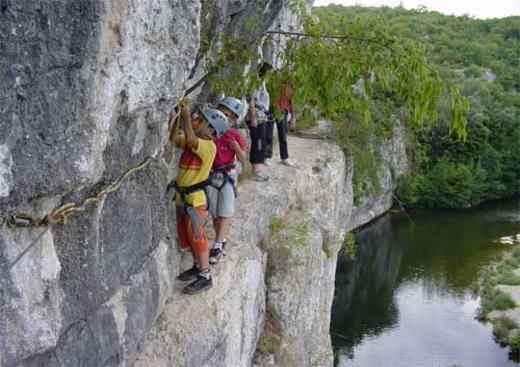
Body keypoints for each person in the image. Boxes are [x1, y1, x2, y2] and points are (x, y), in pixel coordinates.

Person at [169, 103, 228, 294]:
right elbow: (172, 139)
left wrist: (185, 117)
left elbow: (193, 142)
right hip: (184, 198)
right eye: (195, 118)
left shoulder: (208, 146)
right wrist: (178, 116)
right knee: (187, 236)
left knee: (197, 235)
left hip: (195, 200)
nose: (195, 121)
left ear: (211, 129)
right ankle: (197, 265)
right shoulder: (191, 142)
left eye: (199, 120)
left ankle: (205, 275)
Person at [205, 97, 247, 264]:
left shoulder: (233, 135)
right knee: (215, 212)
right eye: (221, 112)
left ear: (233, 119)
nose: (223, 117)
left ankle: (218, 244)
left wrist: (236, 147)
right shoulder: (210, 132)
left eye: (228, 115)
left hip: (227, 175)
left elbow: (243, 158)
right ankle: (220, 240)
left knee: (225, 211)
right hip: (212, 174)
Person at [247, 61, 273, 182]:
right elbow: (251, 99)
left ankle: (258, 170)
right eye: (268, 72)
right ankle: (255, 172)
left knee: (261, 142)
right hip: (257, 115)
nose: (269, 74)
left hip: (262, 115)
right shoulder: (256, 82)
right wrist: (253, 117)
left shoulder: (261, 83)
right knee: (258, 142)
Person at [265, 81, 295, 166]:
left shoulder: (289, 89)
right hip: (271, 111)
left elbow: (291, 103)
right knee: (269, 135)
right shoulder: (272, 85)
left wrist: (292, 117)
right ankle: (267, 157)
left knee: (283, 135)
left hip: (283, 112)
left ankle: (284, 157)